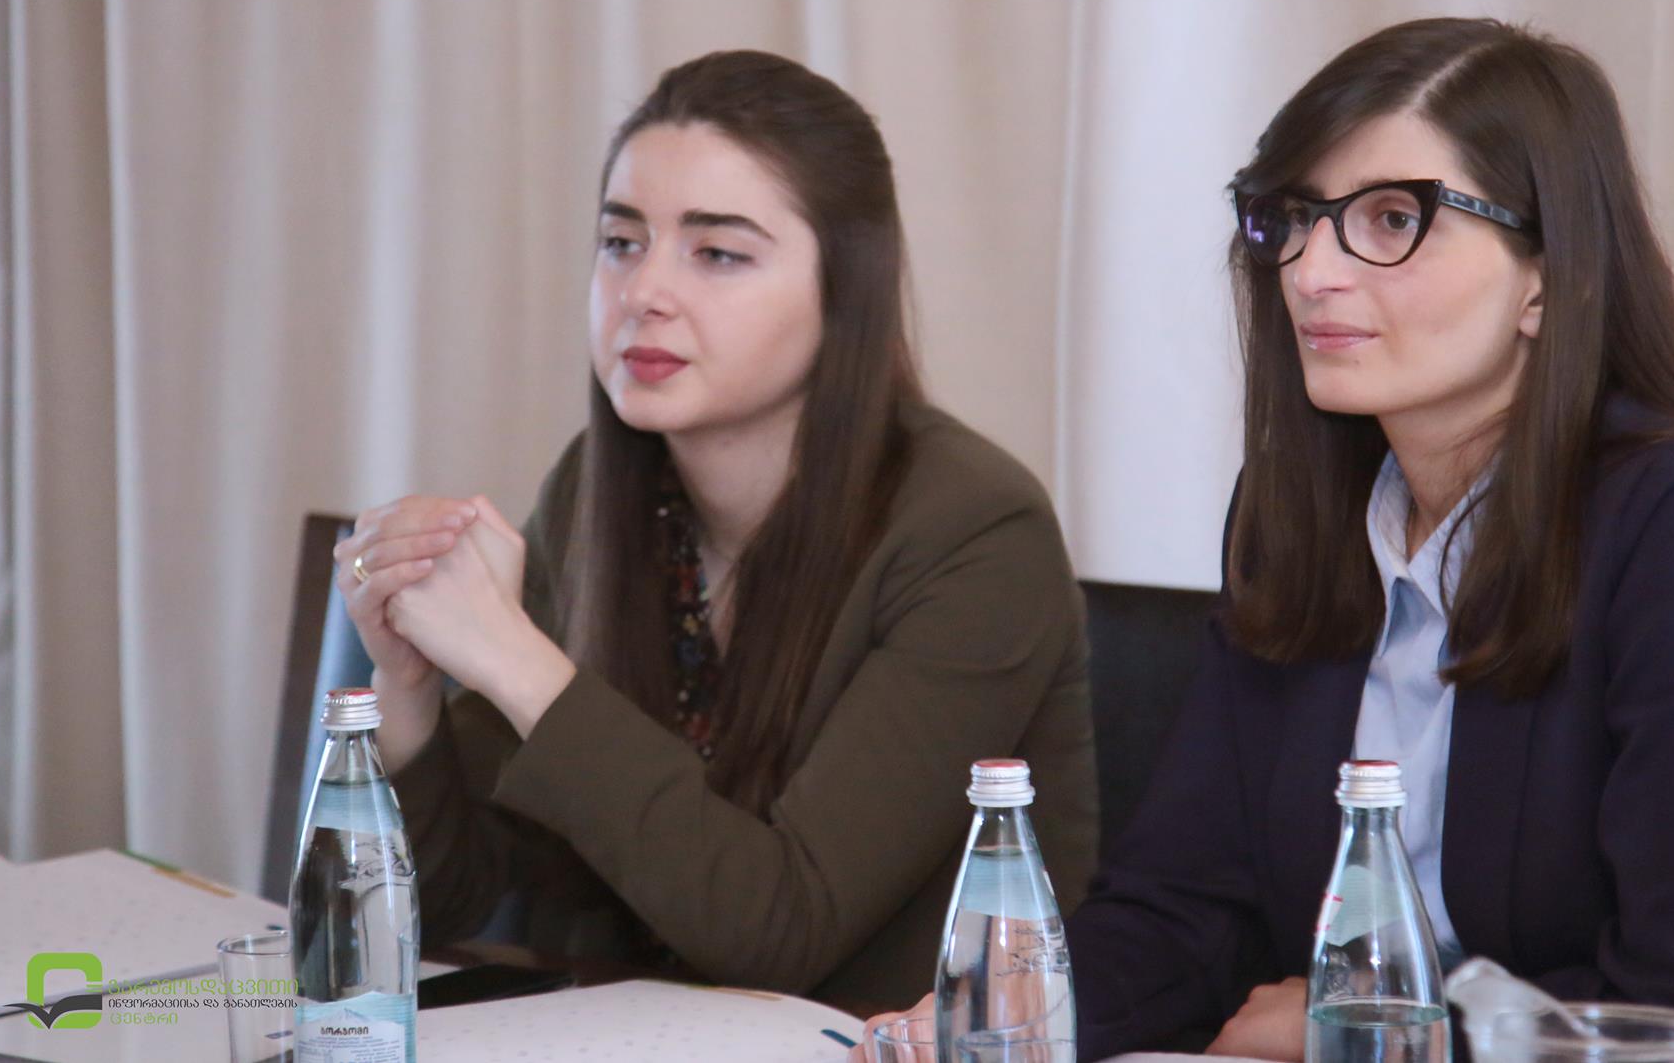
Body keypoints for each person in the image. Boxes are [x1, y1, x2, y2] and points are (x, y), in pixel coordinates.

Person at [863, 18, 1674, 1062]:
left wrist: (1369, 1027)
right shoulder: (1303, 512)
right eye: (1294, 218)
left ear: (1548, 274)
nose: (1310, 270)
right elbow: (1188, 905)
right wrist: (1021, 1015)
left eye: (1391, 219)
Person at [330, 50, 1098, 1013]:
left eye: (718, 253)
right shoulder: (596, 489)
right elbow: (439, 906)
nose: (644, 291)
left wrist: (515, 661)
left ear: (845, 288)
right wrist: (407, 691)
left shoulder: (979, 535)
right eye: (621, 242)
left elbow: (781, 928)